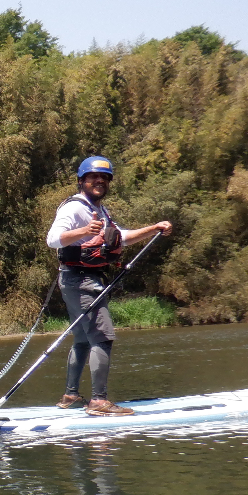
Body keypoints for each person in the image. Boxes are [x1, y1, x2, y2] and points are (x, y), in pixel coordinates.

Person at [46, 156, 172, 416]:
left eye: (104, 178)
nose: (99, 181)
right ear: (82, 181)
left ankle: (71, 396)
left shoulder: (100, 210)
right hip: (80, 281)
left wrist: (154, 228)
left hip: (79, 280)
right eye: (93, 177)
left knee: (82, 339)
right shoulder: (75, 208)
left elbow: (121, 238)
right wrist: (82, 231)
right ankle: (99, 402)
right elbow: (53, 239)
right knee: (102, 338)